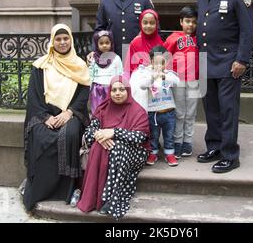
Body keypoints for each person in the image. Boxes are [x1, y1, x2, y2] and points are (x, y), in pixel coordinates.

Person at [195, 0, 253, 173]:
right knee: (211, 109)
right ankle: (215, 146)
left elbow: (247, 31)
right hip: (206, 61)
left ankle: (230, 155)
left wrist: (242, 59)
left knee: (228, 109)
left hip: (230, 62)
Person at [23, 24, 90, 211]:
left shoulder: (79, 65)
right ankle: (41, 189)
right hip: (45, 113)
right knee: (41, 135)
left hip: (71, 113)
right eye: (58, 39)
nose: (62, 42)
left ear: (71, 40)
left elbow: (84, 93)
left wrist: (69, 112)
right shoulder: (41, 65)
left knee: (70, 135)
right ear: (52, 41)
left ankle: (66, 190)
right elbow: (34, 95)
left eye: (65, 38)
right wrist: (45, 117)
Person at [77, 76, 150, 219]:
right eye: (114, 90)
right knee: (102, 146)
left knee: (118, 148)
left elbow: (140, 137)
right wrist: (100, 135)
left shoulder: (138, 110)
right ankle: (97, 198)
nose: (117, 93)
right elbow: (90, 131)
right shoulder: (103, 108)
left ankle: (112, 199)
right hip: (108, 148)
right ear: (109, 91)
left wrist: (114, 133)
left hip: (135, 151)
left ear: (128, 91)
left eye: (122, 89)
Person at [130, 46, 180, 167]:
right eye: (156, 62)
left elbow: (177, 82)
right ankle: (153, 153)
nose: (159, 65)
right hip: (154, 113)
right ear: (151, 62)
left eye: (162, 62)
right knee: (154, 136)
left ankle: (169, 154)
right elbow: (142, 85)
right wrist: (153, 77)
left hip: (169, 112)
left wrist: (163, 75)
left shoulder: (169, 74)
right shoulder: (147, 74)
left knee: (169, 135)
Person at [163, 6, 199, 159]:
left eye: (193, 22)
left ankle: (187, 141)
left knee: (191, 113)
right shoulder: (173, 37)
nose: (190, 25)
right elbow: (164, 56)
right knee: (179, 112)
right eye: (187, 21)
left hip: (194, 80)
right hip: (178, 80)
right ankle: (177, 141)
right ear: (181, 22)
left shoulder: (200, 38)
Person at [89, 30, 123, 115]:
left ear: (111, 43)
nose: (104, 45)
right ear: (97, 44)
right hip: (97, 90)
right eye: (101, 43)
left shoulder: (116, 58)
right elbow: (90, 74)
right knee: (97, 110)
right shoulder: (93, 58)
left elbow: (120, 74)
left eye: (107, 43)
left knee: (111, 111)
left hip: (111, 89)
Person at [123, 9, 163, 78]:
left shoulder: (160, 43)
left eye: (152, 23)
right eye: (145, 23)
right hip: (138, 81)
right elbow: (127, 68)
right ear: (140, 24)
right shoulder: (135, 43)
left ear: (156, 24)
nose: (148, 26)